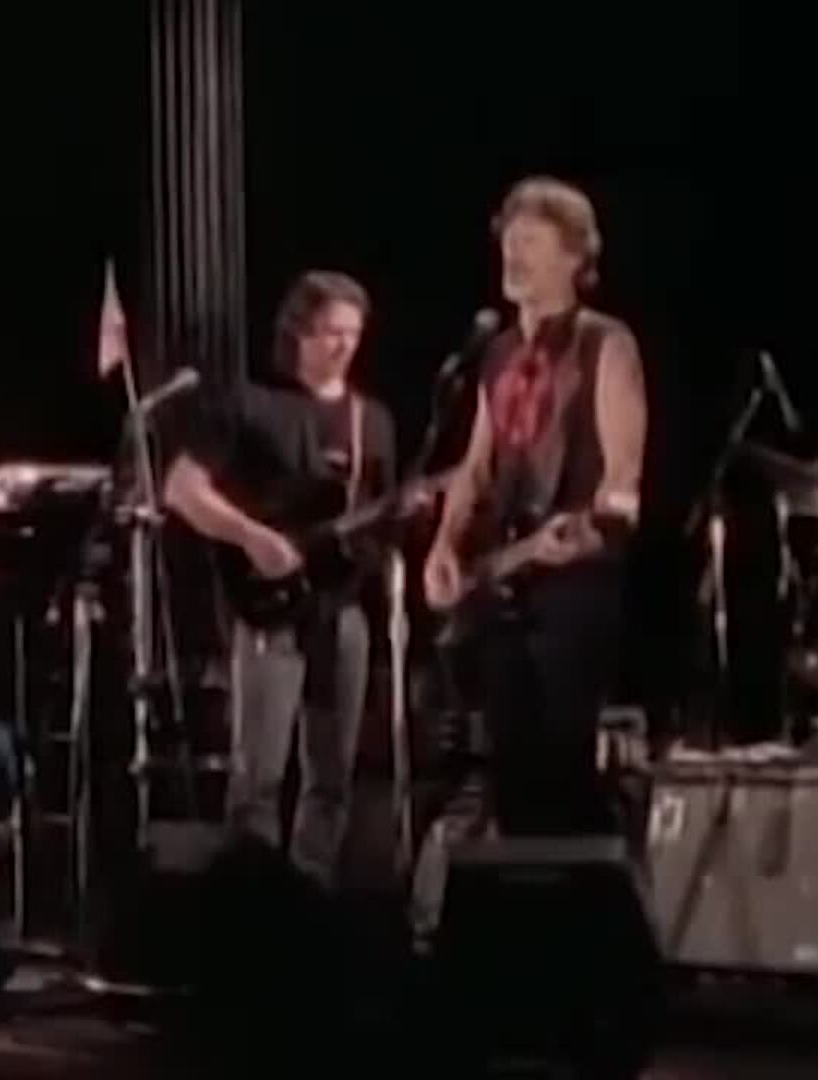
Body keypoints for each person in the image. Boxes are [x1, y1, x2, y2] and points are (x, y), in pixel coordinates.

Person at [423, 177, 646, 838]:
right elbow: (476, 465)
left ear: (575, 258)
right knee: (511, 769)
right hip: (504, 579)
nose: (513, 256)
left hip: (573, 582)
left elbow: (623, 475)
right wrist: (444, 544)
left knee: (564, 766)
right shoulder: (496, 351)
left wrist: (597, 524)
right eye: (510, 242)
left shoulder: (605, 342)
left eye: (532, 244)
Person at [162, 270, 397, 888]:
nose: (343, 345)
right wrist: (252, 537)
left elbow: (377, 515)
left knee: (332, 778)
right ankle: (253, 901)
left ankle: (310, 897)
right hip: (268, 608)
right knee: (258, 778)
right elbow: (181, 489)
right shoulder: (250, 404)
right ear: (298, 332)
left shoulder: (372, 420)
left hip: (342, 608)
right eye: (329, 332)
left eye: (353, 333)